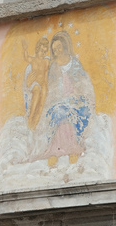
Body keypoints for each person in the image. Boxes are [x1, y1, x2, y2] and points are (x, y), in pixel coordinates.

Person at [34, 31, 96, 166]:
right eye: (54, 50)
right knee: (59, 112)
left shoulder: (75, 64)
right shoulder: (54, 67)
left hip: (76, 101)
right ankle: (56, 151)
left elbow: (84, 84)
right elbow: (51, 89)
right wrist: (57, 100)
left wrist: (76, 96)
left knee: (67, 112)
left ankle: (73, 149)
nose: (57, 51)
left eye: (59, 48)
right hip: (59, 102)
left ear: (65, 46)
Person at [22, 38, 50, 130]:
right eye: (41, 50)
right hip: (35, 83)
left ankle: (34, 125)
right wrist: (25, 48)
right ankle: (30, 118)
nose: (43, 53)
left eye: (45, 51)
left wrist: (45, 87)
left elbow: (45, 75)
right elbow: (26, 57)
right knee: (37, 89)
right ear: (37, 49)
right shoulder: (33, 60)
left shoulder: (46, 61)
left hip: (42, 84)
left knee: (41, 104)